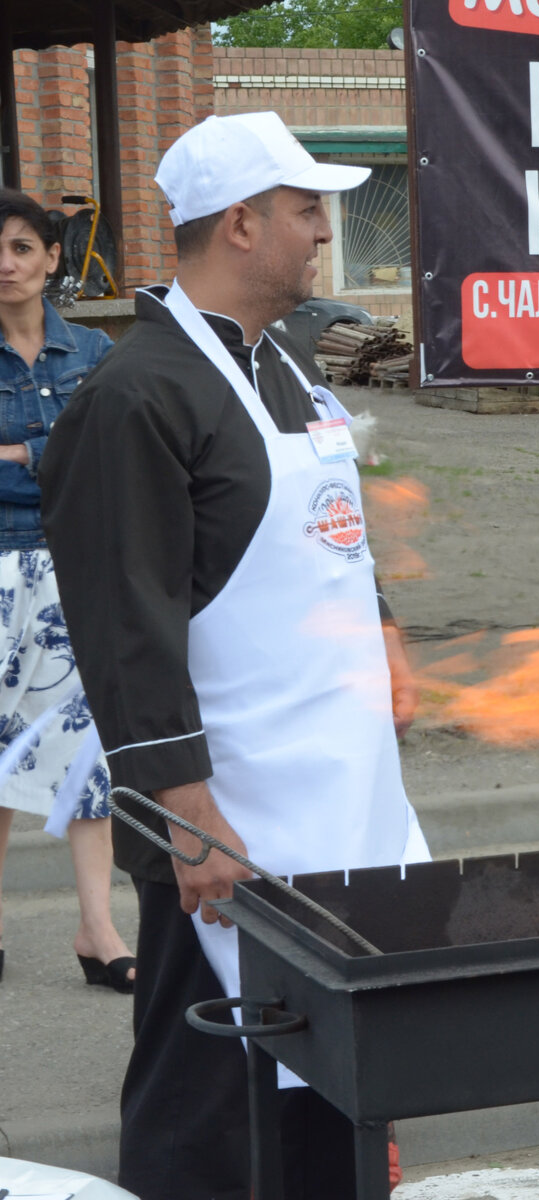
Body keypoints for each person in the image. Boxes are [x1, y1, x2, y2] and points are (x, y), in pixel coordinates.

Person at [39, 111, 429, 1200]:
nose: (324, 232)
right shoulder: (136, 395)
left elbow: (327, 535)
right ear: (243, 223)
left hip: (340, 802)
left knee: (332, 1086)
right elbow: (126, 629)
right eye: (308, 211)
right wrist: (186, 817)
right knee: (211, 1101)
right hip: (229, 823)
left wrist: (384, 629)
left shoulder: (290, 372)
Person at [0, 187, 134, 992]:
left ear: (54, 258)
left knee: (89, 760)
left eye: (22, 247)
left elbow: (112, 457)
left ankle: (98, 928)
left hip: (76, 571)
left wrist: (18, 456)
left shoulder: (94, 355)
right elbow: (79, 453)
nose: (6, 264)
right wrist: (57, 450)